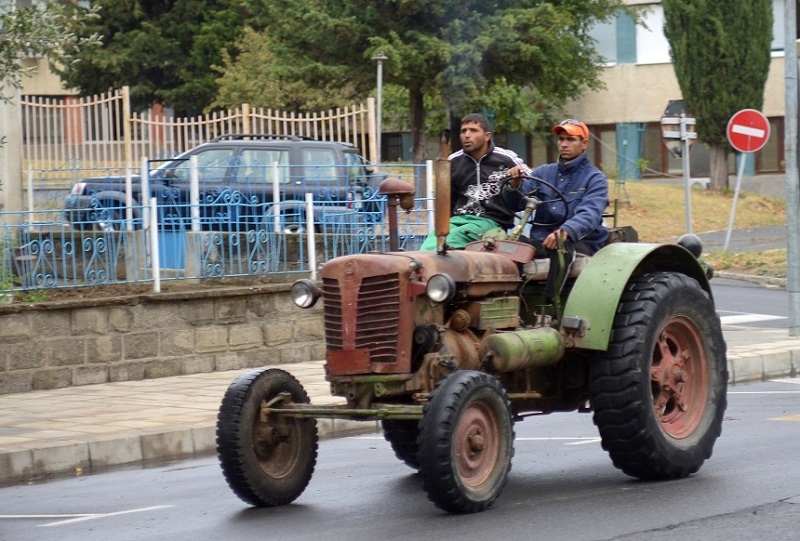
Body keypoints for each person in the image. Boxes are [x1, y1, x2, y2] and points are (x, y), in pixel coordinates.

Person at [508, 118, 609, 301]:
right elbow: (517, 203)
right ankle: (512, 300)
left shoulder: (595, 178)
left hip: (579, 242)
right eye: (561, 139)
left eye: (571, 140)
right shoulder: (543, 173)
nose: (564, 144)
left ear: (584, 144)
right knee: (513, 245)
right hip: (542, 239)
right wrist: (515, 185)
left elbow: (590, 213)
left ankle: (548, 307)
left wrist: (566, 231)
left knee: (562, 248)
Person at [420, 113, 531, 251]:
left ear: (487, 136)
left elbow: (532, 184)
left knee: (444, 243)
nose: (467, 135)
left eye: (473, 130)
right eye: (463, 131)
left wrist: (516, 180)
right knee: (434, 239)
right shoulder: (453, 161)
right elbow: (448, 199)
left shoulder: (506, 158)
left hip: (491, 222)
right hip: (457, 220)